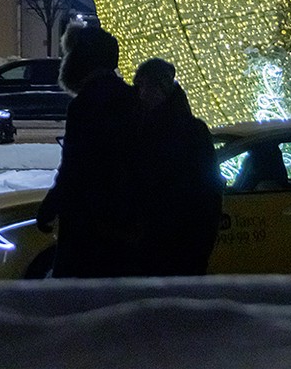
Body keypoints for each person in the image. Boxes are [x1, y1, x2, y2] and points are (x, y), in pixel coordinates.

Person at [37, 23, 139, 277]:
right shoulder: (132, 99)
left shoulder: (85, 105)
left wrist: (49, 208)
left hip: (88, 222)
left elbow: (74, 166)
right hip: (126, 220)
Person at [130, 58, 222, 276]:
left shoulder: (188, 131)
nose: (141, 94)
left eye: (145, 86)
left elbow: (208, 192)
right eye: (139, 86)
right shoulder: (141, 127)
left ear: (161, 88)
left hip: (181, 243)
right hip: (153, 243)